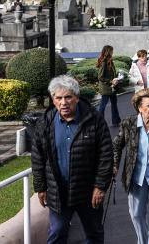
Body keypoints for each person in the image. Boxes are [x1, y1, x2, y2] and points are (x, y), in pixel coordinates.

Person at [31, 75, 113, 244]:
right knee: (57, 233)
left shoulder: (94, 119)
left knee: (94, 234)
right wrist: (40, 187)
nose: (63, 102)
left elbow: (105, 154)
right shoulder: (45, 122)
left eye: (68, 97)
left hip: (88, 191)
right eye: (58, 98)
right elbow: (38, 157)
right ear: (53, 100)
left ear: (76, 97)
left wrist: (100, 186)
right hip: (59, 192)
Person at [112, 88, 149, 244]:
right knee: (137, 215)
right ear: (139, 107)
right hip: (136, 178)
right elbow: (117, 145)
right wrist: (115, 164)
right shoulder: (129, 124)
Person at [96, 45, 121, 126]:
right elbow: (100, 77)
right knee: (102, 106)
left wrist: (117, 78)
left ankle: (116, 121)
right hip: (106, 88)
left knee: (114, 104)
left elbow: (111, 73)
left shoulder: (109, 61)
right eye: (112, 51)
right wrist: (111, 81)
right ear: (108, 51)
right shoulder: (104, 62)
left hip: (112, 87)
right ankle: (99, 122)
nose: (113, 52)